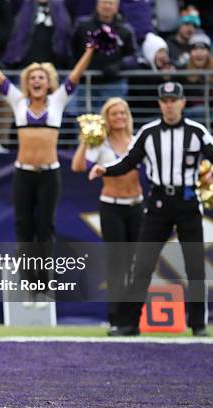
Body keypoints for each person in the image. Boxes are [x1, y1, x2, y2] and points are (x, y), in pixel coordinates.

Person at [0, 34, 96, 301]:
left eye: (41, 77)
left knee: (45, 228)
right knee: (23, 227)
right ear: (27, 83)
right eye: (32, 78)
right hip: (24, 173)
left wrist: (90, 50)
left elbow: (76, 76)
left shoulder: (57, 102)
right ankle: (29, 284)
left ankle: (45, 285)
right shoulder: (18, 102)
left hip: (50, 174)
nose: (37, 81)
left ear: (48, 81)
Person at [89, 82, 212, 337]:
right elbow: (128, 162)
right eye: (164, 100)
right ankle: (129, 323)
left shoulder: (197, 131)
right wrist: (105, 170)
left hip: (188, 202)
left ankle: (198, 323)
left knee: (195, 266)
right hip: (158, 203)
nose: (169, 104)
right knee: (142, 264)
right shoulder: (148, 132)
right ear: (159, 103)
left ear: (182, 102)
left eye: (173, 100)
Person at [71, 97, 142, 327]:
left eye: (123, 113)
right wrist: (85, 138)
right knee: (117, 263)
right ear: (106, 118)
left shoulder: (137, 140)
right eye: (114, 114)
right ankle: (115, 318)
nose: (119, 117)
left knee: (136, 263)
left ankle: (133, 317)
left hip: (137, 205)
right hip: (112, 207)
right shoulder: (100, 143)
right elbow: (78, 166)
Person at [71, 0, 138, 110]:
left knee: (113, 120)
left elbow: (134, 57)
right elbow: (72, 50)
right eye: (104, 2)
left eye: (111, 3)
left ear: (117, 7)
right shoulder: (82, 26)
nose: (107, 6)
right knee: (84, 121)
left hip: (114, 83)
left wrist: (118, 66)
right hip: (86, 82)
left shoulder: (125, 29)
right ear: (97, 4)